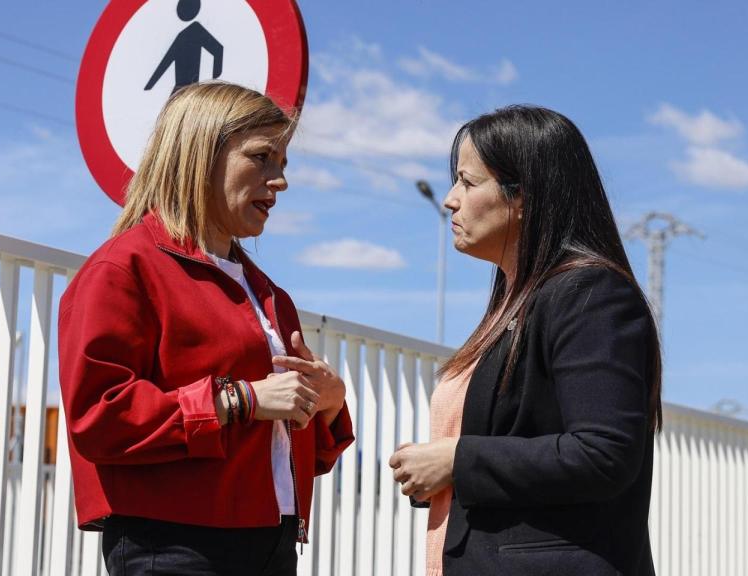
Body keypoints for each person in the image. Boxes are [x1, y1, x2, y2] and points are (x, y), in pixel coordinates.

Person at [58, 81, 354, 576]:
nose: (279, 181)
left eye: (281, 164)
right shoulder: (124, 267)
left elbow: (286, 449)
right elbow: (97, 417)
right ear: (201, 153)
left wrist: (327, 402)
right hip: (177, 546)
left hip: (271, 544)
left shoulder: (271, 295)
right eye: (262, 158)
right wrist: (243, 399)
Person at [389, 105, 661, 576]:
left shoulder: (589, 294)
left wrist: (457, 459)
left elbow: (603, 453)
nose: (451, 200)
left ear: (524, 197)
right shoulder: (519, 301)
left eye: (468, 183)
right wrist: (435, 470)